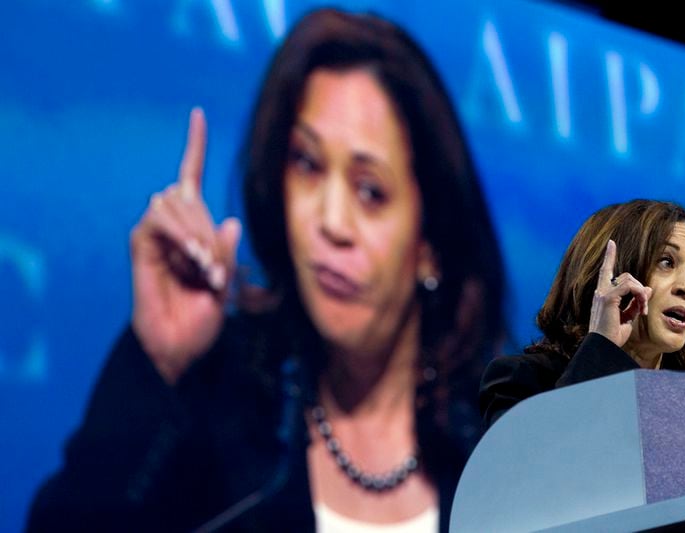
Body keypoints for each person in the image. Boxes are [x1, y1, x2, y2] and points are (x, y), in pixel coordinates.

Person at [27, 8, 506, 532]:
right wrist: (157, 364)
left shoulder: (495, 452)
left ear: (429, 244)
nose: (330, 222)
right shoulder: (222, 412)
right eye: (308, 165)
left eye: (370, 191)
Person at [480, 199, 685, 428]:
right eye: (666, 262)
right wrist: (602, 347)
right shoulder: (522, 380)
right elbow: (533, 462)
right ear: (612, 276)